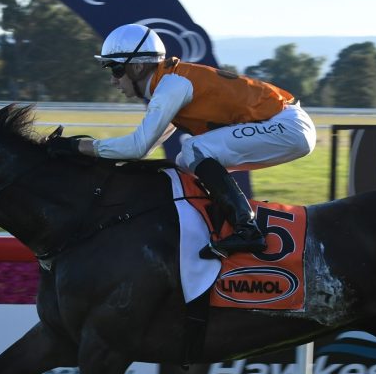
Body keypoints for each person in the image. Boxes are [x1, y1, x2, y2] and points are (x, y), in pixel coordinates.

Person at [52, 23, 316, 258]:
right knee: (184, 162)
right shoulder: (168, 85)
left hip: (287, 125)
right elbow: (144, 148)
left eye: (116, 69)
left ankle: (247, 229)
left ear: (137, 66)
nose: (113, 80)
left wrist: (76, 146)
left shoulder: (171, 86)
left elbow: (136, 147)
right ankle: (219, 221)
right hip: (284, 126)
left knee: (194, 149)